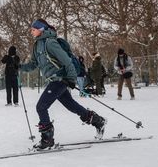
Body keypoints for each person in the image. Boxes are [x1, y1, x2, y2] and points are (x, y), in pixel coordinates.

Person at [19, 18, 107, 150]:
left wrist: (71, 79)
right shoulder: (37, 45)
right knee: (72, 106)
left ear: (41, 29)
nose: (31, 32)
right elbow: (33, 64)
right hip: (53, 80)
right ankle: (98, 121)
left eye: (33, 29)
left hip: (60, 80)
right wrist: (18, 66)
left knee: (41, 107)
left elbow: (67, 61)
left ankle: (47, 140)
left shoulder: (50, 43)